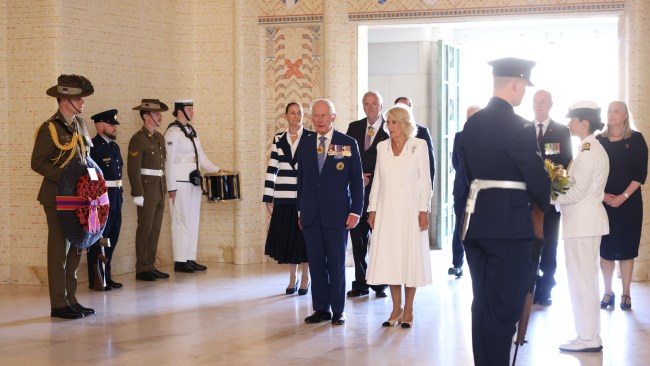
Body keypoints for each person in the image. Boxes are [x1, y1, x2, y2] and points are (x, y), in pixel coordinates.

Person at [459, 57, 550, 366]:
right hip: (510, 229)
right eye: (523, 86)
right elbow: (538, 180)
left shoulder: (472, 124)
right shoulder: (520, 126)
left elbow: (466, 175)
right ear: (516, 84)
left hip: (476, 225)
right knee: (505, 305)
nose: (523, 93)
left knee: (482, 303)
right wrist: (544, 198)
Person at [31, 74, 97, 319]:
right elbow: (37, 162)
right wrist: (67, 178)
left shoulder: (80, 124)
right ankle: (58, 303)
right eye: (79, 98)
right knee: (59, 251)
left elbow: (85, 159)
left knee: (76, 249)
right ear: (64, 100)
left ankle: (71, 298)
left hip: (79, 198)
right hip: (56, 197)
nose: (83, 103)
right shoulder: (50, 127)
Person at [297, 99, 364, 326]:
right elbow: (302, 181)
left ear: (333, 117)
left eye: (324, 115)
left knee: (336, 264)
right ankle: (321, 308)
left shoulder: (347, 143)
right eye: (316, 116)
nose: (319, 120)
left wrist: (356, 211)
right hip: (310, 215)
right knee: (316, 263)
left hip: (337, 215)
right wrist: (300, 210)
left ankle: (338, 309)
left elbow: (356, 181)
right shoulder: (305, 144)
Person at [366, 105, 433, 329]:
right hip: (387, 212)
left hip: (411, 211)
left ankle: (409, 309)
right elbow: (377, 180)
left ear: (404, 123)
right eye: (387, 122)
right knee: (392, 259)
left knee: (409, 259)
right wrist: (372, 209)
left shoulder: (419, 145)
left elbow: (426, 181)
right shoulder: (382, 147)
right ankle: (396, 308)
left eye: (393, 122)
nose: (389, 127)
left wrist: (424, 210)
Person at [553, 101, 609, 352]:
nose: (569, 124)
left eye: (572, 120)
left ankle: (587, 338)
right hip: (586, 223)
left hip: (582, 224)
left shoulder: (588, 153)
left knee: (582, 281)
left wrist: (551, 196)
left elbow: (577, 192)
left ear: (584, 123)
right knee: (585, 280)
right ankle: (588, 335)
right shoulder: (591, 149)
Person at [597, 100, 648, 310]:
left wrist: (623, 196)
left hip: (629, 204)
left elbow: (640, 173)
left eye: (616, 111)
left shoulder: (636, 139)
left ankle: (626, 293)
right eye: (609, 111)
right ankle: (608, 291)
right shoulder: (598, 140)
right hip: (603, 203)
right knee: (606, 250)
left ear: (625, 115)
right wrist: (603, 196)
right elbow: (592, 172)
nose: (612, 114)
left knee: (627, 249)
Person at [165, 99, 220, 273]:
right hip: (179, 184)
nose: (192, 112)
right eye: (189, 109)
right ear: (180, 111)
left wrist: (217, 169)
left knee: (193, 221)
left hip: (194, 183)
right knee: (181, 222)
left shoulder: (191, 131)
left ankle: (190, 257)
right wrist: (171, 187)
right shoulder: (172, 133)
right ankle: (180, 261)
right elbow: (168, 162)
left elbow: (201, 157)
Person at [263, 102, 311, 295]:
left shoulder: (310, 138)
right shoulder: (278, 139)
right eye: (292, 113)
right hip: (282, 197)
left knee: (304, 240)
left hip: (304, 197)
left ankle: (306, 278)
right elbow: (272, 168)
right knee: (289, 241)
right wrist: (268, 196)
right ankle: (293, 277)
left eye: (299, 113)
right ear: (286, 116)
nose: (296, 116)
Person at [345, 91, 389, 298]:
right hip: (358, 193)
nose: (370, 108)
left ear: (381, 106)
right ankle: (361, 283)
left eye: (374, 104)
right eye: (366, 104)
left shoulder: (390, 128)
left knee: (379, 239)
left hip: (382, 193)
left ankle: (380, 283)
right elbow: (345, 157)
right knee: (358, 239)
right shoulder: (354, 127)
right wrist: (356, 176)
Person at [532, 90, 573, 306]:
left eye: (543, 102)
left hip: (550, 199)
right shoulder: (525, 130)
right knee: (531, 243)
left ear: (550, 104)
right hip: (529, 200)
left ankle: (546, 287)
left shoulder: (561, 132)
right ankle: (531, 285)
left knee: (549, 244)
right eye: (536, 101)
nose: (539, 105)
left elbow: (566, 162)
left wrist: (557, 191)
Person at [128, 99, 169, 282]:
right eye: (157, 113)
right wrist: (138, 192)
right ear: (146, 116)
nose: (160, 117)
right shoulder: (138, 138)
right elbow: (133, 168)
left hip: (159, 189)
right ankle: (142, 267)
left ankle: (151, 264)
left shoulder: (159, 137)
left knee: (155, 229)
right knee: (145, 228)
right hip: (146, 191)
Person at [86, 109, 124, 291]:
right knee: (99, 240)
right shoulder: (93, 147)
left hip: (116, 198)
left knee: (112, 238)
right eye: (111, 124)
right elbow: (92, 178)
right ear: (100, 126)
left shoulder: (114, 147)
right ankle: (97, 278)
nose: (115, 127)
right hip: (101, 201)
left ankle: (106, 275)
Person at [449, 104, 481, 278]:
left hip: (481, 190)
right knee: (460, 226)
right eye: (469, 117)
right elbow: (456, 163)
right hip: (462, 189)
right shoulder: (458, 137)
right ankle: (457, 263)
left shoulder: (488, 136)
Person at [394, 96, 435, 183]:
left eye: (406, 108)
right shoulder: (388, 131)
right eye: (400, 107)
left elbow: (429, 163)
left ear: (411, 109)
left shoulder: (422, 132)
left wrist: (428, 190)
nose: (403, 111)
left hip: (415, 184)